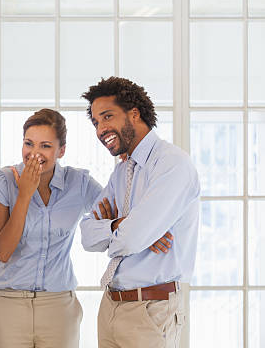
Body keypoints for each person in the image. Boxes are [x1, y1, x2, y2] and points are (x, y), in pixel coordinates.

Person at [80, 77, 200, 348]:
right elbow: (87, 236)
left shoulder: (172, 164)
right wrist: (120, 224)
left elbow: (132, 239)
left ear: (134, 114)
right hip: (111, 304)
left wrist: (130, 231)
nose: (101, 129)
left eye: (107, 116)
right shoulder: (122, 171)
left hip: (151, 309)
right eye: (96, 122)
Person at [0, 109, 103, 348]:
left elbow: (115, 210)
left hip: (59, 307)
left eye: (46, 146)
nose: (35, 153)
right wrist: (24, 195)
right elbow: (3, 252)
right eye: (29, 143)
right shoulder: (4, 180)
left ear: (61, 151)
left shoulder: (79, 183)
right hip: (9, 305)